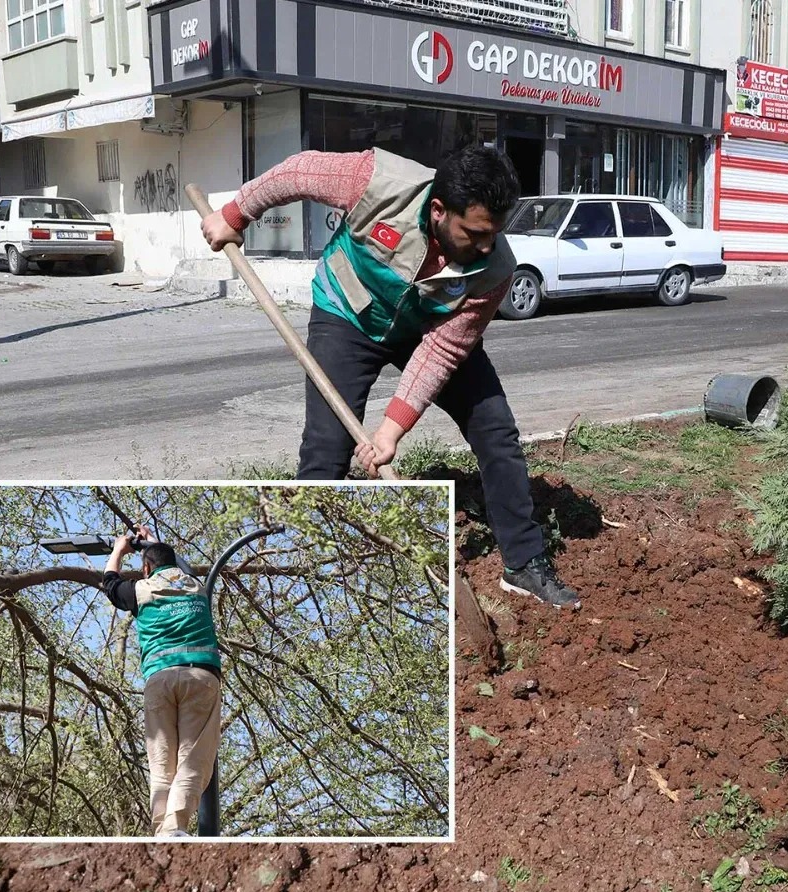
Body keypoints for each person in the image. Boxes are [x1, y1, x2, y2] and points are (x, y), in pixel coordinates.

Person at [200, 144, 580, 611]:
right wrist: (235, 214)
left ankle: (523, 563)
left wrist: (390, 430)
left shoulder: (495, 269)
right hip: (348, 312)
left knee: (495, 431)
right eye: (476, 233)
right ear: (439, 210)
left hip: (429, 328)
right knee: (326, 448)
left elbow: (443, 349)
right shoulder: (377, 181)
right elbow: (296, 172)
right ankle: (305, 562)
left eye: (495, 233)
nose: (487, 246)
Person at [99, 527, 220, 837]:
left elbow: (110, 584)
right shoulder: (195, 585)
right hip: (200, 677)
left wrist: (119, 550)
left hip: (160, 679)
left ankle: (163, 831)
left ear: (145, 568)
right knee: (192, 760)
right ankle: (174, 827)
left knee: (161, 762)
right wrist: (152, 544)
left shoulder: (142, 589)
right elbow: (173, 563)